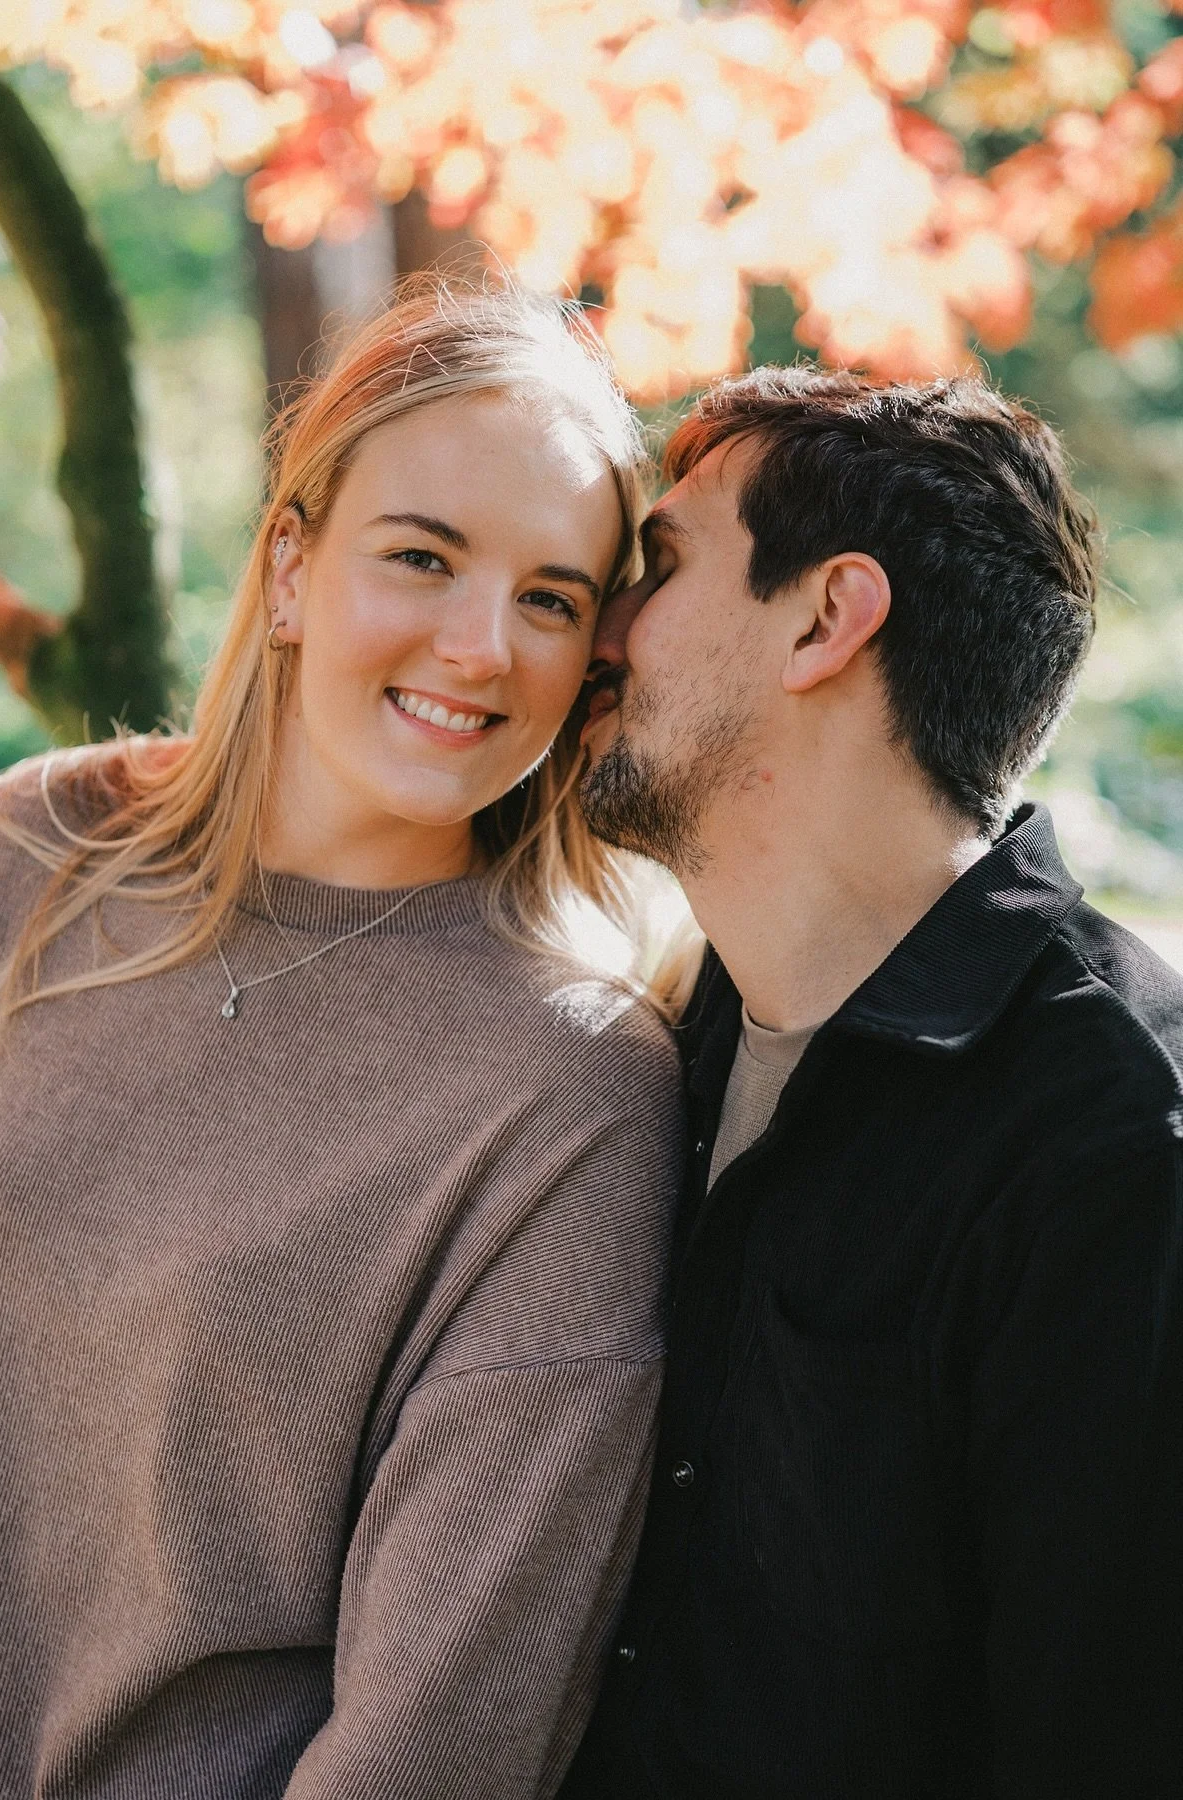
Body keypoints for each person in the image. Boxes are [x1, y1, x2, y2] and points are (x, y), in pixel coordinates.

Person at [0, 280, 685, 1800]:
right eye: (424, 557)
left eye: (552, 598)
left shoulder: (568, 1091)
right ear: (294, 565)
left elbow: (442, 1726)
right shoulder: (30, 857)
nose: (480, 645)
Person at [562, 367, 1183, 1798]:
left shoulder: (1116, 1141)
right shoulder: (678, 1036)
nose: (592, 629)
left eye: (653, 568)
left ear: (827, 618)